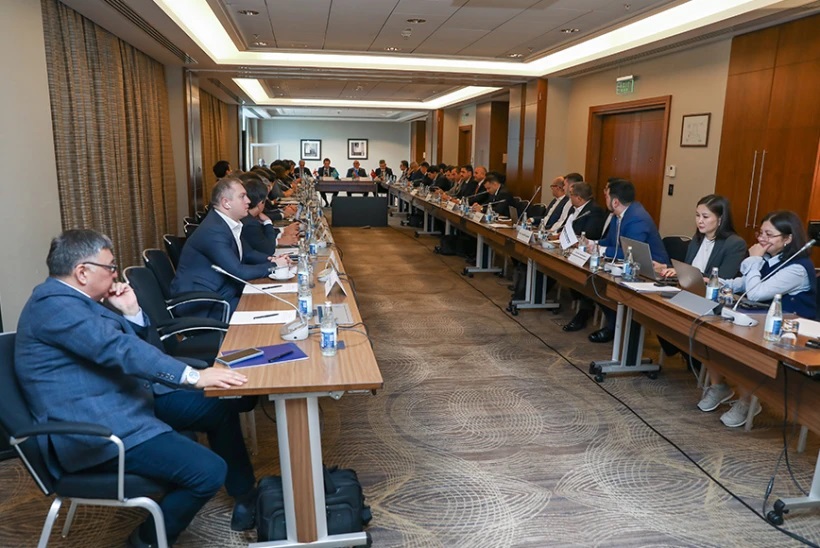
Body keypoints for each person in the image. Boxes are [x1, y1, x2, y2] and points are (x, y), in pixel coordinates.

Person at [15, 229, 258, 547]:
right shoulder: (55, 307)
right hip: (97, 429)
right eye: (110, 267)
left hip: (128, 399)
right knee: (208, 471)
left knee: (218, 406)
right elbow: (119, 350)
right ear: (82, 272)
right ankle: (145, 541)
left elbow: (143, 352)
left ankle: (245, 496)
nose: (115, 274)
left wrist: (132, 312)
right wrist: (193, 376)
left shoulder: (78, 301)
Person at [702, 210, 816, 427]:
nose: (762, 239)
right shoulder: (770, 258)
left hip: (791, 331)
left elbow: (756, 293)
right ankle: (718, 387)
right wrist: (715, 281)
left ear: (788, 238)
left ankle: (747, 402)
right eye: (761, 233)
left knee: (745, 346)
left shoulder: (797, 268)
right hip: (763, 320)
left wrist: (753, 260)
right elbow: (745, 284)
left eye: (769, 234)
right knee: (711, 332)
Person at [654, 194, 747, 368]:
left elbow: (722, 278)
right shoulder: (698, 239)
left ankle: (695, 358)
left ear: (720, 219)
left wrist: (685, 272)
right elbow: (689, 269)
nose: (700, 221)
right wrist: (669, 268)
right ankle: (686, 353)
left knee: (672, 314)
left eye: (705, 216)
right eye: (697, 215)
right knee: (656, 308)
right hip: (691, 293)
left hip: (714, 301)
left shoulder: (734, 244)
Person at [171, 177, 286, 317]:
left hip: (224, 292)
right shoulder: (214, 231)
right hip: (204, 304)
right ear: (226, 203)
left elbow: (248, 253)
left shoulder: (226, 222)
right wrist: (275, 265)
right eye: (242, 196)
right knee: (268, 309)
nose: (248, 201)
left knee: (272, 302)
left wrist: (271, 259)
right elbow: (239, 271)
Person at [588, 179, 669, 343]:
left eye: (607, 196)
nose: (605, 199)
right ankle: (614, 324)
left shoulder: (637, 218)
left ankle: (616, 329)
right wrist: (593, 243)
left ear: (615, 202)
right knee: (593, 281)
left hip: (653, 270)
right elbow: (611, 242)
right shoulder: (617, 215)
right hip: (628, 265)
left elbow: (630, 253)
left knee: (604, 285)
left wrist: (600, 250)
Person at [241, 179, 299, 255]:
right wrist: (268, 222)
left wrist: (283, 231)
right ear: (261, 203)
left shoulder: (250, 217)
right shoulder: (250, 222)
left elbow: (262, 235)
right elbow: (268, 249)